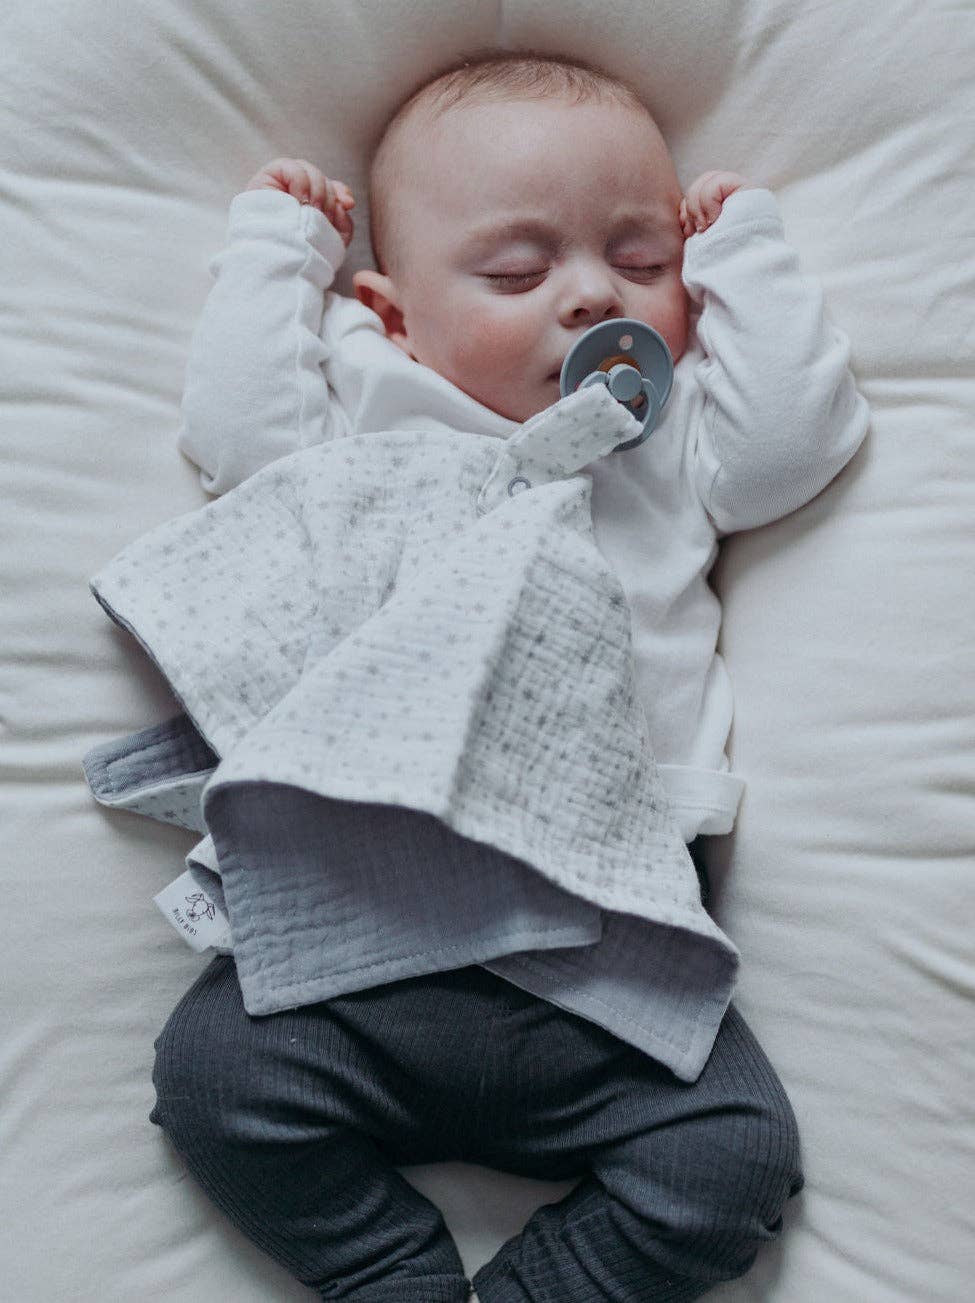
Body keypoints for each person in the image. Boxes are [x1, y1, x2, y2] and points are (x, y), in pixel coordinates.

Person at [140, 49, 868, 1302]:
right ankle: (391, 1272)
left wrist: (740, 256)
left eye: (640, 260)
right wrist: (279, 253)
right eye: (521, 274)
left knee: (735, 1160)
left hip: (611, 936)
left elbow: (794, 446)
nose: (590, 295)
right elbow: (240, 435)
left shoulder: (661, 431)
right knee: (212, 1078)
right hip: (362, 916)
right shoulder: (377, 400)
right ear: (395, 312)